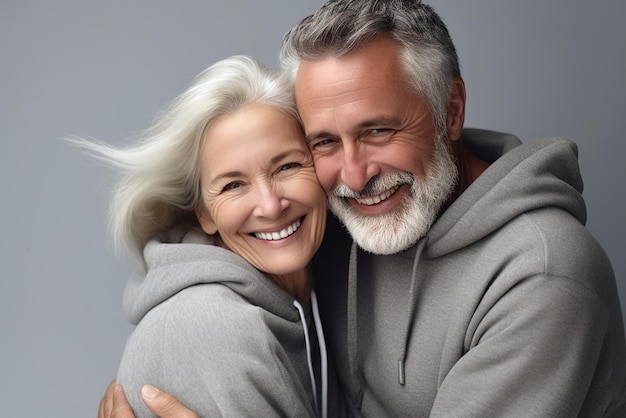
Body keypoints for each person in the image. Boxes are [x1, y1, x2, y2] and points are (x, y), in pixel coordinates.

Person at [100, 0, 626, 416]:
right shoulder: (334, 226)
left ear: (451, 110)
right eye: (324, 142)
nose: (354, 177)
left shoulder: (543, 277)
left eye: (377, 130)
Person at [84, 55, 340, 417]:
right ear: (203, 213)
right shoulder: (218, 327)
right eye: (234, 185)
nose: (270, 205)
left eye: (287, 166)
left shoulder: (315, 291)